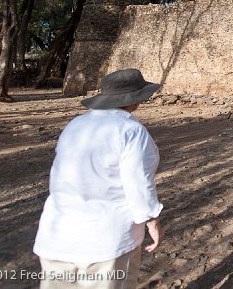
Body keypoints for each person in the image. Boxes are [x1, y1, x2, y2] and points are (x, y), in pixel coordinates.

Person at [33, 69, 163, 288]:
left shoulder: (74, 126)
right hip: (106, 239)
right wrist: (151, 220)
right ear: (136, 100)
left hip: (58, 235)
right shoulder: (131, 131)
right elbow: (137, 183)